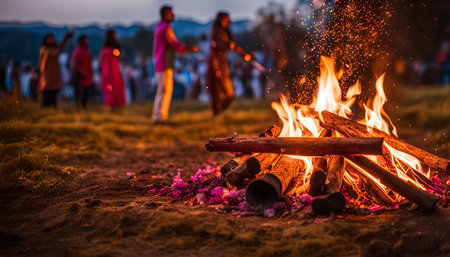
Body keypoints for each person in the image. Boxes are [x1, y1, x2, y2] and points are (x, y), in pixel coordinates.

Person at [152, 5, 198, 124]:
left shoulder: (159, 27)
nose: (173, 15)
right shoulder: (165, 28)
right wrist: (190, 48)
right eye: (171, 13)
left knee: (162, 90)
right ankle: (160, 117)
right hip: (164, 63)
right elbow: (176, 45)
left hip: (161, 63)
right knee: (164, 90)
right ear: (166, 14)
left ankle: (159, 116)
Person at [207, 11, 252, 115]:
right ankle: (217, 113)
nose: (227, 22)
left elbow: (230, 45)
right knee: (218, 90)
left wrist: (244, 53)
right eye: (225, 19)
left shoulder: (223, 33)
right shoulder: (217, 32)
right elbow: (224, 45)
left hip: (222, 64)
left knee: (229, 93)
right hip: (216, 64)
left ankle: (219, 111)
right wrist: (242, 52)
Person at [39, 31, 74, 107]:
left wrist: (65, 40)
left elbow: (56, 51)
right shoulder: (44, 50)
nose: (52, 41)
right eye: (50, 39)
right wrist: (64, 40)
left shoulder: (52, 49)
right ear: (46, 40)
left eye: (53, 39)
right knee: (46, 102)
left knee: (54, 102)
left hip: (55, 80)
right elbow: (54, 52)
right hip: (47, 81)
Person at [100, 30, 126, 109]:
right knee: (110, 88)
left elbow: (118, 54)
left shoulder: (109, 48)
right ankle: (111, 104)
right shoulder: (107, 49)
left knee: (115, 88)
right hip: (109, 71)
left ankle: (116, 105)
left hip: (113, 70)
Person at [73, 35, 93, 109]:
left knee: (86, 93)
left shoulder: (87, 50)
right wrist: (82, 73)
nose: (87, 42)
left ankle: (84, 107)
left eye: (87, 40)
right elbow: (75, 65)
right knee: (80, 93)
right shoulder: (78, 51)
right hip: (81, 77)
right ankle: (79, 107)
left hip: (88, 76)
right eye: (85, 40)